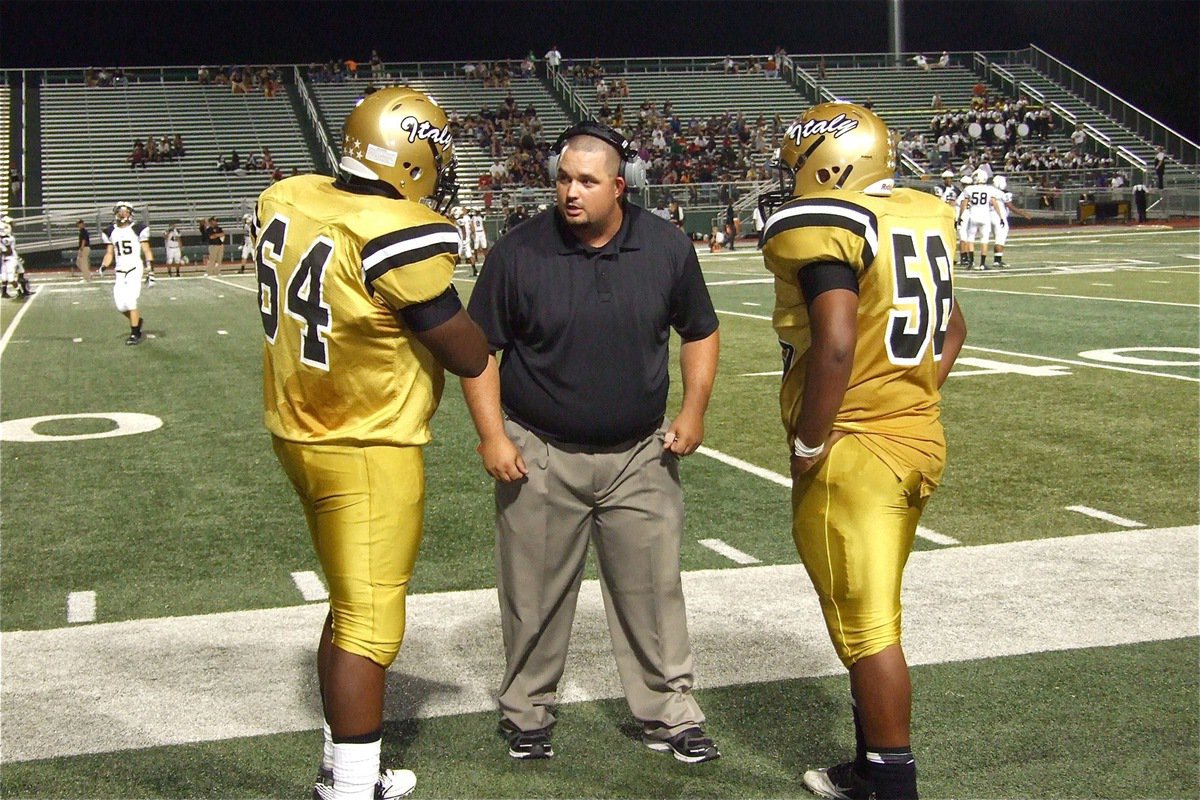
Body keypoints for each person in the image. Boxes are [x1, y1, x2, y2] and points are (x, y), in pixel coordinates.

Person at [461, 120, 721, 764]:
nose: (570, 192)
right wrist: (492, 436)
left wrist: (693, 410)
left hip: (641, 453)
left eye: (586, 181)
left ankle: (670, 712)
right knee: (534, 596)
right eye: (562, 179)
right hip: (540, 450)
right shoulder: (518, 251)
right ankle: (527, 712)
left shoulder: (665, 245)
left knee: (653, 591)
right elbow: (478, 350)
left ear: (619, 187)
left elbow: (699, 329)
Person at [257, 87, 487, 800]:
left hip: (299, 430)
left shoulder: (289, 196)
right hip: (366, 441)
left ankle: (343, 769)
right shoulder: (397, 231)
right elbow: (465, 351)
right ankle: (354, 789)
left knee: (348, 602)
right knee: (371, 621)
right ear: (411, 156)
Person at [759, 101, 967, 800]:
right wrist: (908, 391)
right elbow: (954, 330)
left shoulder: (828, 226)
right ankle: (866, 766)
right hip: (919, 436)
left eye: (795, 166)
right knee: (868, 608)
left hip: (857, 449)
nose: (789, 180)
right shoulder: (916, 214)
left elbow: (837, 342)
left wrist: (812, 438)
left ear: (828, 165)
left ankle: (891, 783)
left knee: (868, 625)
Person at [99, 202, 154, 344]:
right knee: (120, 306)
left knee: (130, 301)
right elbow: (109, 253)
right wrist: (104, 265)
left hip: (134, 268)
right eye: (120, 211)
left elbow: (146, 250)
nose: (122, 214)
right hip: (120, 270)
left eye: (125, 211)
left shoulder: (138, 229)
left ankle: (135, 333)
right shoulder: (110, 231)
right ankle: (137, 321)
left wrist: (150, 270)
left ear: (131, 213)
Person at [957, 169, 1006, 269]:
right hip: (985, 217)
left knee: (970, 239)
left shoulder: (969, 189)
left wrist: (960, 216)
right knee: (984, 240)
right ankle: (982, 264)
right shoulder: (989, 189)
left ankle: (971, 262)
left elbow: (964, 203)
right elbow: (995, 203)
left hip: (973, 216)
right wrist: (1000, 216)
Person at [988, 174, 1031, 268]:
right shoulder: (1002, 194)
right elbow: (1011, 207)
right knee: (1000, 239)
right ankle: (997, 260)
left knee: (993, 238)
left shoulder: (988, 191)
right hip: (1000, 218)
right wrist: (1023, 214)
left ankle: (969, 258)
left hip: (989, 217)